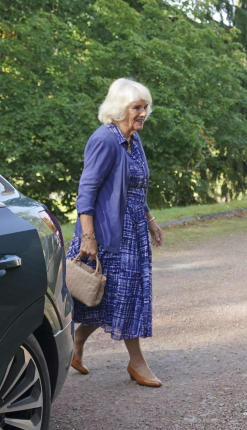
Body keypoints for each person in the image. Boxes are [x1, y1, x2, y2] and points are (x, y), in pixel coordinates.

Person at [68, 78, 164, 387]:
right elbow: (87, 190)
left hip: (133, 231)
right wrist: (88, 237)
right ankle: (137, 363)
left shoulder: (133, 140)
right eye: (137, 107)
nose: (143, 113)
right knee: (125, 297)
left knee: (112, 298)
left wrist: (150, 220)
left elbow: (135, 187)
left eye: (145, 107)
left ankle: (78, 342)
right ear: (120, 108)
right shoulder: (105, 140)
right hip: (107, 233)